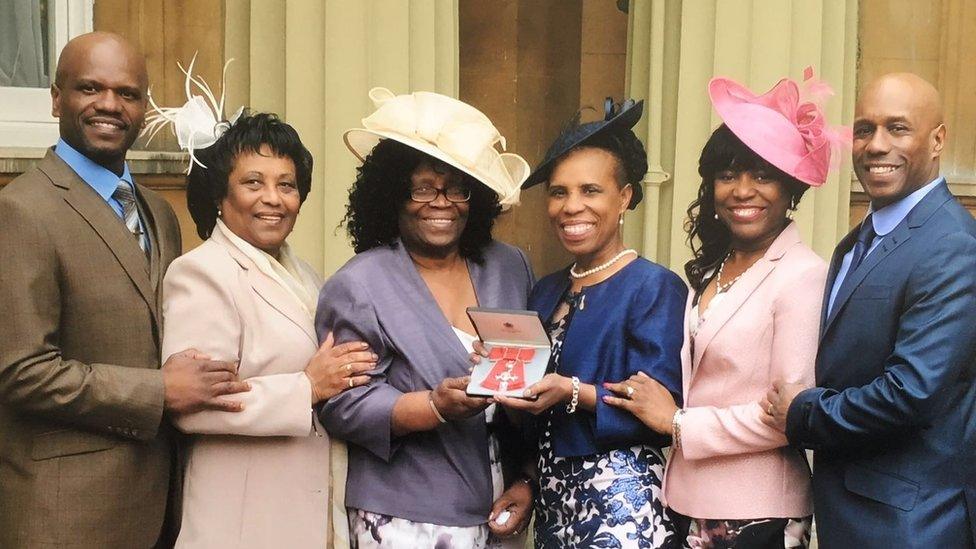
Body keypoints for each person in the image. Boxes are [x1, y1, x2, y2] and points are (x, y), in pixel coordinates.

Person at [0, 32, 248, 549]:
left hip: (159, 509)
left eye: (128, 93)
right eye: (89, 88)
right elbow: (21, 372)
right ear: (55, 98)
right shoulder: (21, 211)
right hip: (65, 515)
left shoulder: (159, 213)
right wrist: (160, 390)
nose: (109, 105)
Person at [605, 73, 848, 548]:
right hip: (689, 499)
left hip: (758, 509)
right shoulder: (716, 267)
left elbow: (786, 414)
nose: (742, 190)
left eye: (763, 175)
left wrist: (675, 422)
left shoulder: (802, 276)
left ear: (790, 189)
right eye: (728, 174)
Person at [762, 73, 976, 548]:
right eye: (864, 129)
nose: (876, 145)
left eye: (897, 128)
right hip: (850, 518)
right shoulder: (855, 242)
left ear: (938, 139)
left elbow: (910, 392)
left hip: (911, 525)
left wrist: (802, 410)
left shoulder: (952, 246)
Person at [316, 87, 534, 548]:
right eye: (422, 188)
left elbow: (532, 371)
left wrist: (528, 478)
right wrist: (433, 407)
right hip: (405, 515)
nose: (442, 202)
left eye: (458, 188)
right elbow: (341, 404)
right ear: (392, 195)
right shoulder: (359, 284)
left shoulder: (509, 265)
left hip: (501, 510)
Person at [156, 110, 375, 548]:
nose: (272, 198)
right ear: (222, 194)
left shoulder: (305, 274)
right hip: (244, 521)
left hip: (304, 510)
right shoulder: (202, 273)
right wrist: (306, 388)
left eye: (287, 185)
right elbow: (194, 406)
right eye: (253, 183)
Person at [500, 99, 687, 548]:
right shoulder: (546, 290)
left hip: (624, 504)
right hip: (554, 504)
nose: (571, 207)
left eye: (590, 190)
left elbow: (661, 411)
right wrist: (499, 371)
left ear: (624, 197)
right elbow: (533, 416)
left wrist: (572, 391)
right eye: (559, 192)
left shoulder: (654, 286)